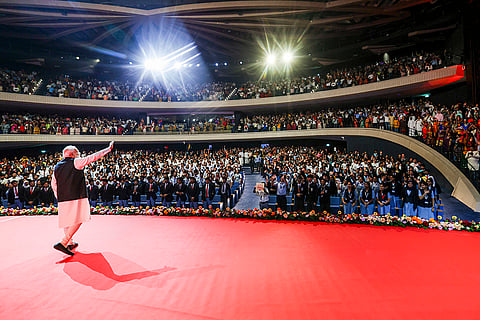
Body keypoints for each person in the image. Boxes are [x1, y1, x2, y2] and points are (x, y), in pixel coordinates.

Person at [52, 141, 114, 256]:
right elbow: (92, 157)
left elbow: (54, 184)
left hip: (62, 198)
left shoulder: (56, 167)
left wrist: (59, 197)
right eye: (77, 152)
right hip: (76, 196)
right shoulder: (75, 162)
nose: (79, 154)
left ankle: (69, 243)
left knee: (67, 221)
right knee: (79, 218)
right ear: (72, 154)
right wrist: (107, 149)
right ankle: (64, 242)